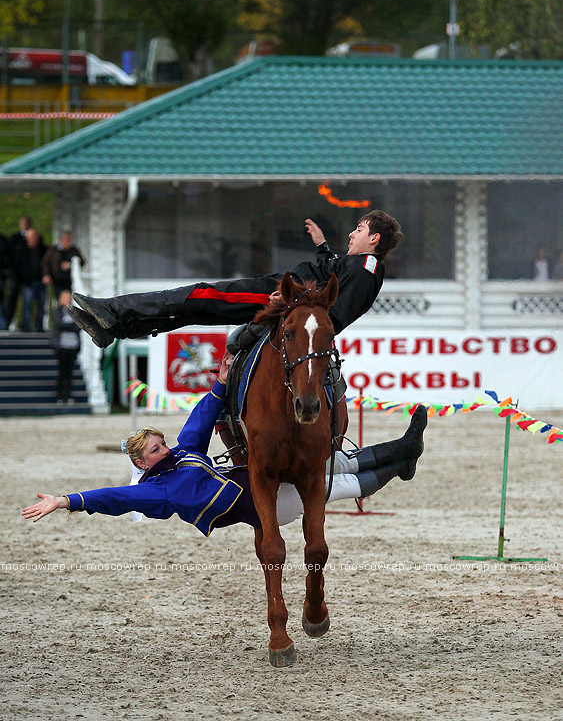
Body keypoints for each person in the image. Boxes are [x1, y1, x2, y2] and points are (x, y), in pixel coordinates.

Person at [23, 353, 427, 532]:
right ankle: (401, 464)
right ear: (143, 464)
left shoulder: (183, 455)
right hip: (262, 505)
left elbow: (199, 420)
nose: (165, 449)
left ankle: (407, 451)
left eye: (160, 443)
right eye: (155, 450)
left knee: (337, 462)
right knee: (337, 486)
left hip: (258, 476)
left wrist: (219, 384)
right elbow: (114, 498)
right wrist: (66, 501)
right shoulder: (159, 493)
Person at [68, 210, 404, 349]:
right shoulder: (358, 265)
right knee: (199, 310)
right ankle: (117, 328)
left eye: (359, 229)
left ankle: (111, 310)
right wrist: (321, 243)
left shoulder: (367, 270)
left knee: (196, 295)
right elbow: (331, 271)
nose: (352, 232)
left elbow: (331, 317)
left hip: (275, 295)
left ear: (374, 240)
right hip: (279, 292)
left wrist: (288, 303)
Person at [12, 228, 47, 332]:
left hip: (40, 281)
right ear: (27, 238)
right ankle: (26, 326)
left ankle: (39, 326)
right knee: (27, 305)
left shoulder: (43, 250)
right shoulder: (21, 251)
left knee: (41, 306)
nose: (32, 239)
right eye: (30, 237)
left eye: (34, 237)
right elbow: (17, 267)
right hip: (27, 283)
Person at [51, 290, 81, 404]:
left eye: (69, 298)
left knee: (70, 372)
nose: (67, 300)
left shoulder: (74, 312)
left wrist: (69, 326)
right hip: (62, 345)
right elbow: (59, 324)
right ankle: (60, 396)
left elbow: (78, 326)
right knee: (62, 372)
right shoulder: (57, 311)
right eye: (65, 298)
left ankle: (68, 395)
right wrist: (71, 325)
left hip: (73, 345)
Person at [42, 231, 86, 299]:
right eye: (66, 240)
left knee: (70, 299)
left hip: (70, 280)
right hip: (57, 280)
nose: (68, 242)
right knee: (59, 299)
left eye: (69, 240)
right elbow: (45, 263)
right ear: (62, 240)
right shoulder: (53, 250)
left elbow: (82, 262)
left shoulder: (74, 250)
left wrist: (70, 265)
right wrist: (46, 275)